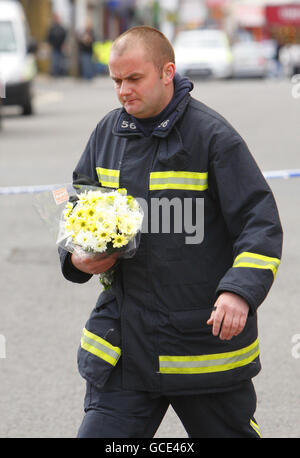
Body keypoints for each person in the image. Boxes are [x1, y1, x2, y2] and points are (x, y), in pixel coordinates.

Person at [59, 26, 283, 438]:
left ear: (167, 72)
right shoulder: (107, 134)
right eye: (116, 81)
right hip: (124, 348)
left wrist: (239, 290)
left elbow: (260, 222)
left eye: (133, 79)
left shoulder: (213, 137)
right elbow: (78, 211)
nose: (123, 91)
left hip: (201, 350)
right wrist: (77, 257)